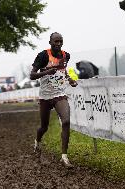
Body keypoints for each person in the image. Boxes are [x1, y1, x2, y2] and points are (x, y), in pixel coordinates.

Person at [30, 32, 78, 167]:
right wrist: (46, 72)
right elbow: (32, 75)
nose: (58, 44)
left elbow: (63, 70)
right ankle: (37, 141)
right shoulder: (43, 55)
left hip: (59, 94)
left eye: (60, 41)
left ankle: (64, 157)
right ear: (50, 42)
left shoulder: (65, 55)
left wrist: (70, 80)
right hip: (45, 96)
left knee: (66, 121)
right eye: (56, 41)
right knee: (44, 127)